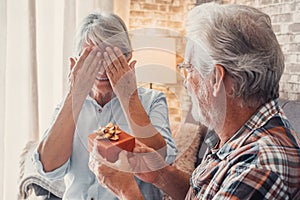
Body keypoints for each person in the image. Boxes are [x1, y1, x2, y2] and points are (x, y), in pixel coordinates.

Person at [89, 2, 300, 199]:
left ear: (217, 78)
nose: (186, 81)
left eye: (189, 69)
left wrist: (127, 190)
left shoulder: (258, 167)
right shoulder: (237, 135)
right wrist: (160, 174)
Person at [32, 13, 177, 199]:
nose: (101, 68)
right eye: (92, 58)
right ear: (76, 62)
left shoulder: (152, 101)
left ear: (127, 59)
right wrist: (74, 95)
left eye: (110, 57)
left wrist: (128, 97)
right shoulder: (67, 107)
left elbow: (162, 163)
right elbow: (48, 167)